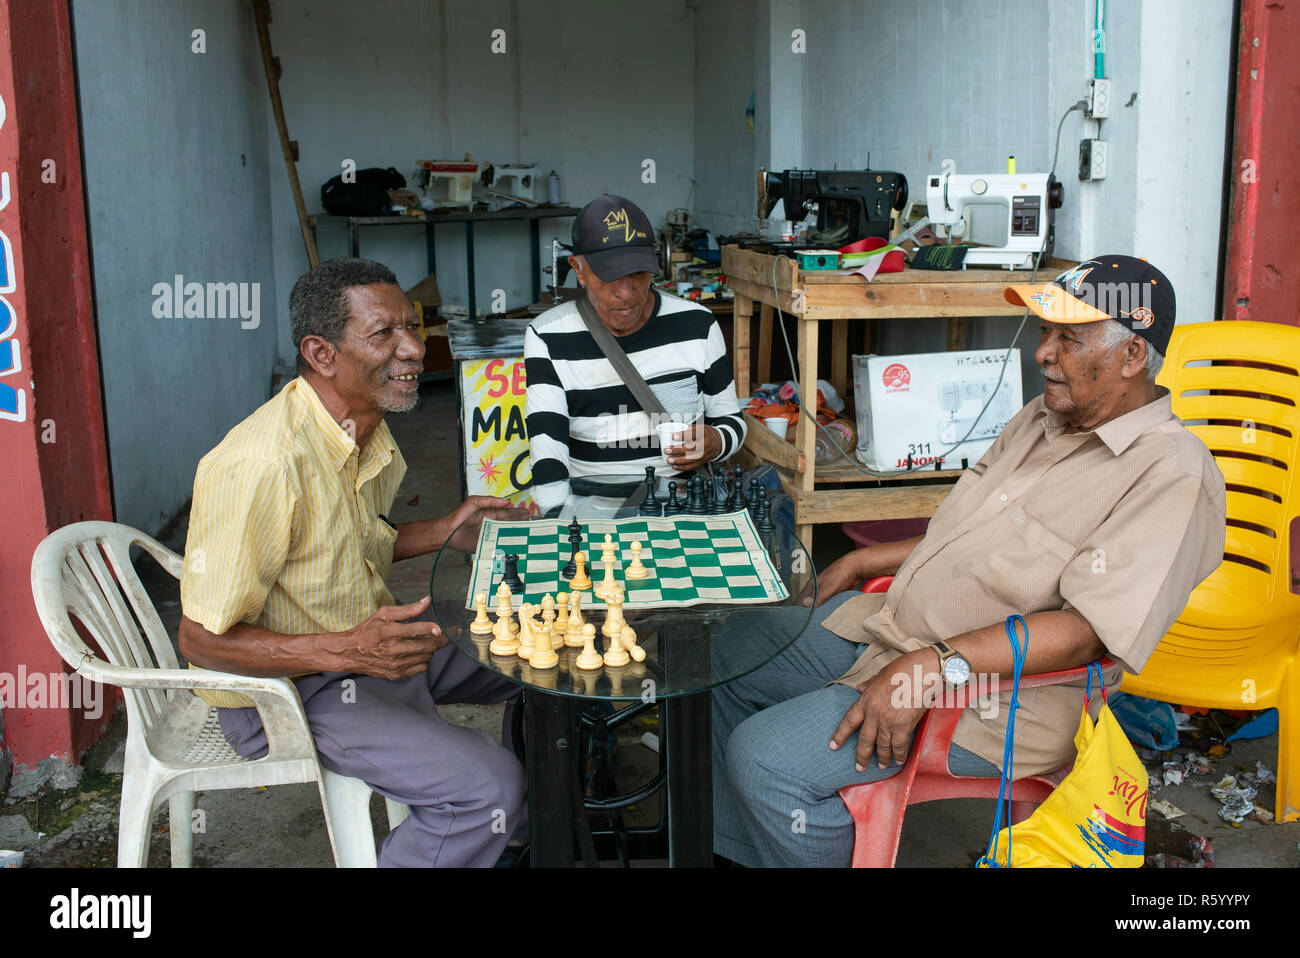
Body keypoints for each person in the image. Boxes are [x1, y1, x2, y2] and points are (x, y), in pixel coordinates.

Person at [713, 255, 1227, 867]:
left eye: (1070, 337)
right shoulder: (1043, 417)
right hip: (894, 629)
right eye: (1045, 332)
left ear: (1132, 356)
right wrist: (867, 559)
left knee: (765, 759)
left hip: (996, 695)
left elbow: (1085, 635)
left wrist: (933, 667)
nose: (1043, 354)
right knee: (720, 652)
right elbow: (968, 531)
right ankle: (747, 852)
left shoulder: (1171, 473)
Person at [178, 257, 528, 868]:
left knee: (551, 650)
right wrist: (347, 651)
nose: (415, 349)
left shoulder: (363, 431)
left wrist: (447, 530)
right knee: (487, 788)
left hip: (370, 648)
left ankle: (519, 831)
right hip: (289, 690)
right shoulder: (260, 465)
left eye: (413, 328)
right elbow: (203, 641)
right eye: (384, 335)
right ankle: (483, 820)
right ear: (321, 353)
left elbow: (353, 544)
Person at [524, 194, 745, 515]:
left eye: (638, 275)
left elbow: (732, 422)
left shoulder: (698, 324)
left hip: (683, 503)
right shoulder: (547, 335)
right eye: (609, 277)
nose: (626, 294)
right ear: (579, 269)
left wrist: (716, 442)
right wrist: (559, 523)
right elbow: (547, 447)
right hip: (594, 505)